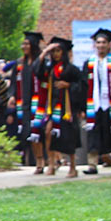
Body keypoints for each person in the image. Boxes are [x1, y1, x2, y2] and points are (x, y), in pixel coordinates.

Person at [35, 37, 82, 176]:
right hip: (53, 106)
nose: (55, 54)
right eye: (53, 51)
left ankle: (73, 166)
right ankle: (51, 164)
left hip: (68, 107)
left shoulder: (72, 69)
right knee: (48, 132)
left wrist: (69, 85)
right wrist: (44, 52)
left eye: (58, 51)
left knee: (69, 136)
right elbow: (37, 72)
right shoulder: (50, 69)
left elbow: (81, 87)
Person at [82, 28, 111, 173]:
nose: (101, 45)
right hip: (94, 104)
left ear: (109, 45)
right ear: (95, 45)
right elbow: (84, 85)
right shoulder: (89, 63)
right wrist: (82, 107)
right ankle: (92, 164)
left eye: (104, 42)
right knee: (93, 134)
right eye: (98, 42)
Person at [9, 31, 43, 170]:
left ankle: (43, 161)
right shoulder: (19, 64)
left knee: (38, 132)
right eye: (23, 44)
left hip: (39, 102)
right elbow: (12, 83)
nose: (24, 46)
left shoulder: (40, 62)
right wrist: (12, 95)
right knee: (28, 133)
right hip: (24, 103)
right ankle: (35, 161)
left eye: (27, 44)